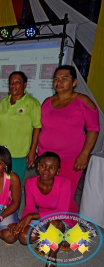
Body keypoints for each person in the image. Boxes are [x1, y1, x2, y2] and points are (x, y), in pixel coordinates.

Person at [38, 65, 99, 215]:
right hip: (46, 159)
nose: (59, 82)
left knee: (65, 196)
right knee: (46, 192)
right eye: (56, 79)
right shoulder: (47, 102)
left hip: (70, 160)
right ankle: (47, 222)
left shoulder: (82, 101)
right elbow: (39, 128)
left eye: (64, 79)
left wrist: (84, 154)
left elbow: (94, 129)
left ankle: (70, 227)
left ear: (74, 82)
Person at [8, 152, 71, 267]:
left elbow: (61, 212)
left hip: (60, 221)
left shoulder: (64, 183)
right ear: (38, 166)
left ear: (58, 170)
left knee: (54, 223)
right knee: (23, 237)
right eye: (43, 165)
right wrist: (21, 223)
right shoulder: (30, 183)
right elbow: (29, 208)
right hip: (42, 218)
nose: (46, 170)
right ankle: (46, 238)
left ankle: (52, 256)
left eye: (52, 167)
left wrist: (32, 216)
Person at [0, 71, 41, 182]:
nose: (13, 85)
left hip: (19, 154)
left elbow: (37, 128)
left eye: (18, 82)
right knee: (1, 184)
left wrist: (32, 151)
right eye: (11, 83)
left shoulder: (32, 103)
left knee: (14, 185)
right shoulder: (3, 102)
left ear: (25, 84)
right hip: (1, 153)